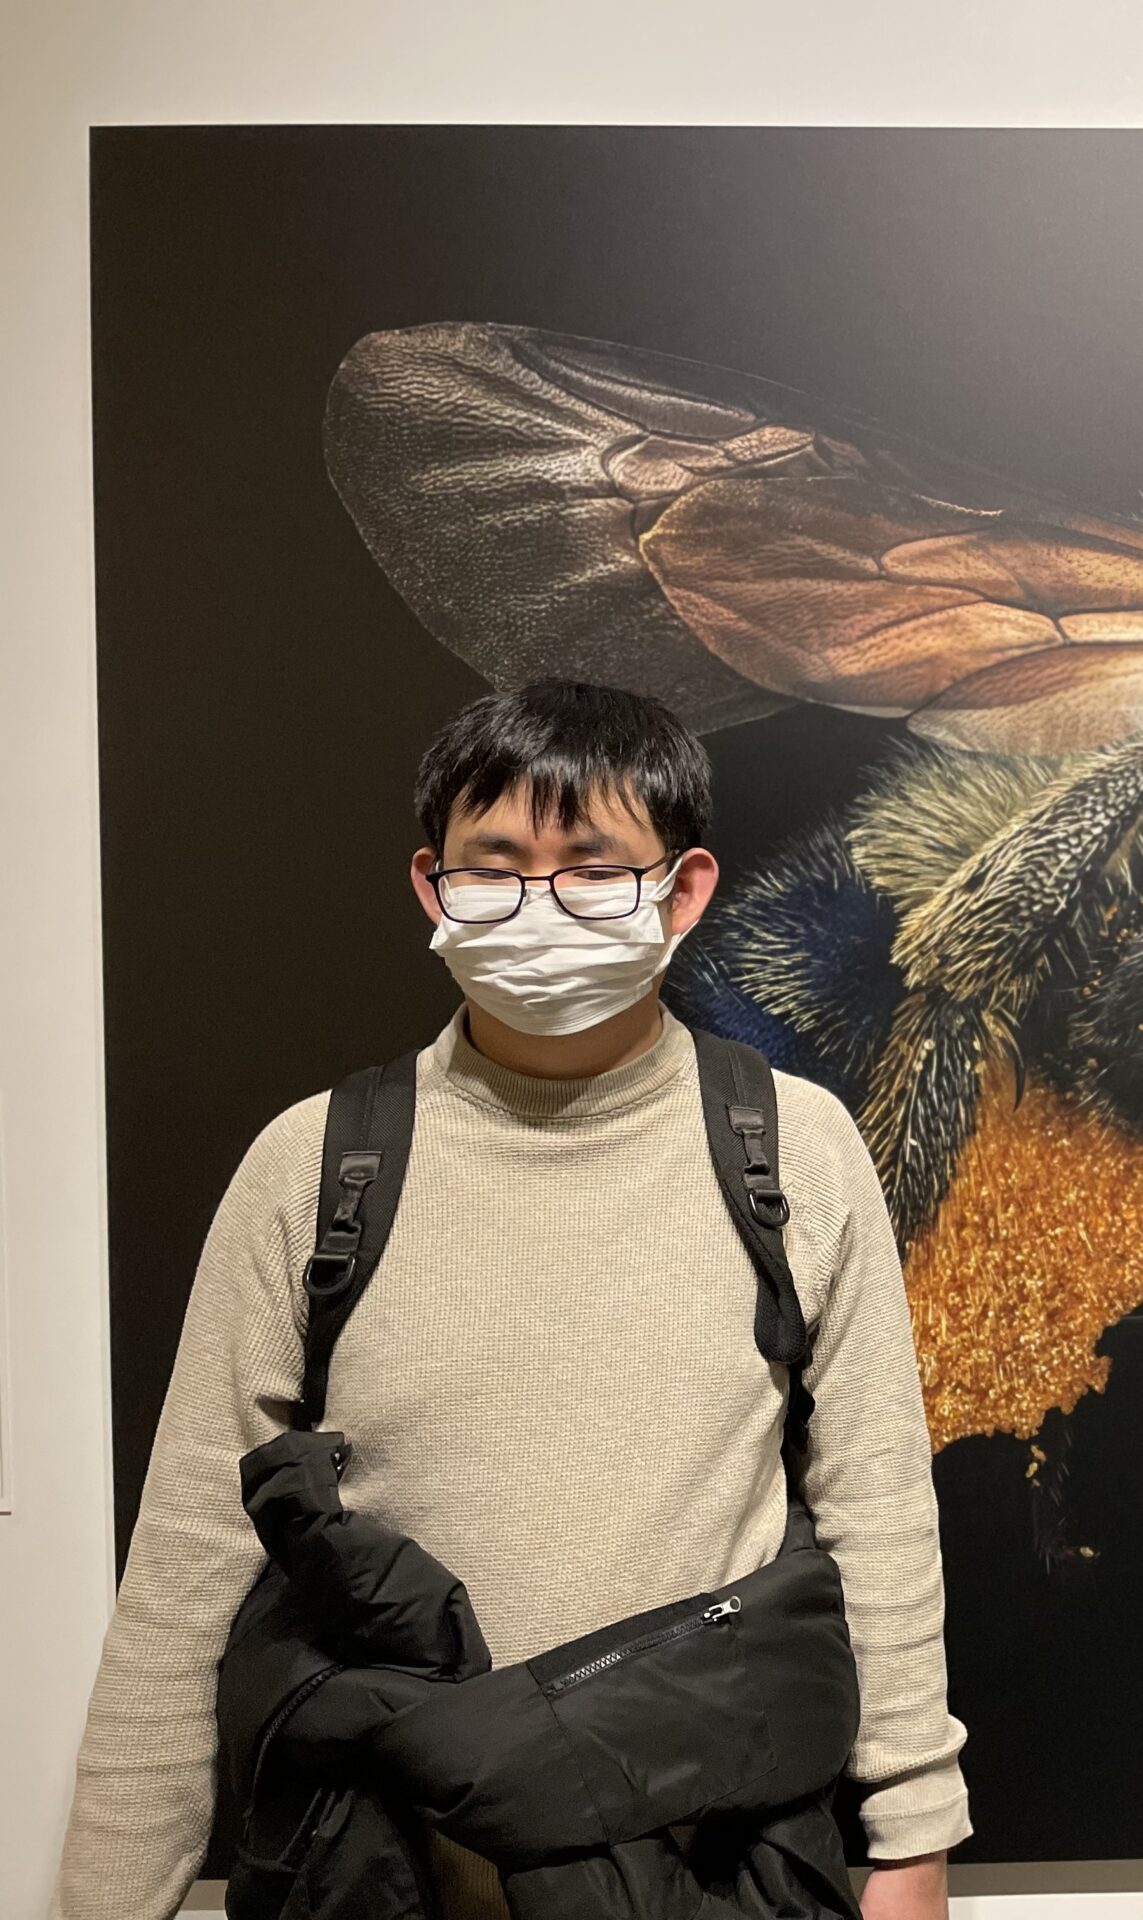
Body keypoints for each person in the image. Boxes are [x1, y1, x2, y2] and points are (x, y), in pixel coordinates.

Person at [51, 679, 969, 1919]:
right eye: (494, 870)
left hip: (706, 1870)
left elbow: (878, 1510)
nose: (542, 906)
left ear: (683, 890)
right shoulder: (312, 1169)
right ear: (434, 889)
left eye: (593, 869)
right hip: (383, 1879)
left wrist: (912, 1844)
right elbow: (186, 1572)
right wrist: (106, 1903)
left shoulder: (793, 1151)